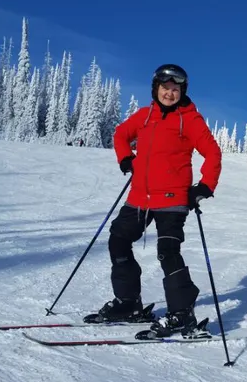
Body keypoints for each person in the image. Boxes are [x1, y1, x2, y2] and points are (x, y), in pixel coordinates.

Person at [83, 63, 222, 337]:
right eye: (165, 88)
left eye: (175, 89)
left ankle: (182, 314)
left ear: (182, 91)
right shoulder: (145, 116)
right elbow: (121, 133)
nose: (170, 93)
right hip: (139, 197)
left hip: (172, 198)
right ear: (155, 89)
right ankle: (128, 303)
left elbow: (213, 153)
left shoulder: (190, 119)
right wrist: (125, 157)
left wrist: (204, 186)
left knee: (168, 253)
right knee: (118, 240)